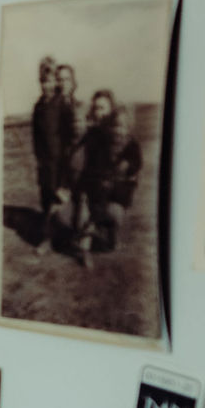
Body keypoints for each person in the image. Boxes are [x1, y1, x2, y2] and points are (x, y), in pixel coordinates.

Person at [70, 89, 142, 267]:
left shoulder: (124, 137)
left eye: (103, 108)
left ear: (112, 109)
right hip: (93, 189)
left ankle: (110, 235)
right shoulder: (92, 135)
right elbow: (79, 162)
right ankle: (84, 249)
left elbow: (135, 165)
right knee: (84, 212)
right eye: (96, 109)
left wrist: (127, 168)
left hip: (115, 194)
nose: (99, 113)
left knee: (112, 214)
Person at [31, 59, 76, 249]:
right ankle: (50, 237)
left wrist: (67, 162)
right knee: (46, 197)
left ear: (56, 82)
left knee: (60, 200)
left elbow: (69, 136)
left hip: (60, 162)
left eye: (50, 81)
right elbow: (36, 137)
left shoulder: (62, 104)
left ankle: (53, 237)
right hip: (45, 163)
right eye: (43, 81)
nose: (46, 85)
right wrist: (39, 159)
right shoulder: (38, 107)